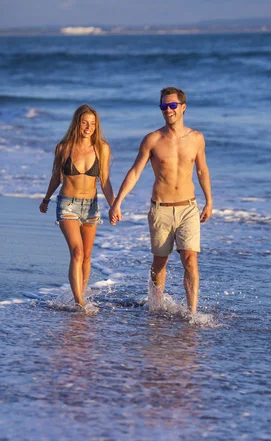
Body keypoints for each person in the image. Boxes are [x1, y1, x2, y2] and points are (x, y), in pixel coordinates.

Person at [109, 87, 213, 314]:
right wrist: (117, 202)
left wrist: (209, 201)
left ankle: (192, 312)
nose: (168, 110)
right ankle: (155, 307)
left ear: (183, 107)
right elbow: (135, 171)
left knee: (190, 259)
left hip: (188, 207)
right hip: (161, 209)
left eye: (172, 105)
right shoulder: (153, 139)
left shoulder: (196, 138)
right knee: (160, 262)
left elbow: (202, 171)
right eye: (164, 106)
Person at [40, 104, 114, 308]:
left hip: (91, 206)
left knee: (87, 256)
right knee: (77, 252)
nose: (88, 127)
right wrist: (46, 199)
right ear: (77, 123)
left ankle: (81, 294)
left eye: (92, 123)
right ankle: (80, 303)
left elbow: (105, 180)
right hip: (67, 205)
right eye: (84, 123)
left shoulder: (102, 148)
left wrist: (113, 206)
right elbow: (56, 177)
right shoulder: (63, 147)